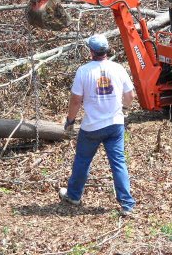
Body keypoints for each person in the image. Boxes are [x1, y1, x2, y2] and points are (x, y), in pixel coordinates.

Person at [59, 34, 136, 216]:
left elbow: (76, 100)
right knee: (118, 163)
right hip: (115, 125)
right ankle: (127, 204)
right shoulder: (118, 68)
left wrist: (70, 121)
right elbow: (130, 95)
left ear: (91, 51)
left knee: (82, 161)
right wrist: (123, 108)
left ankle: (74, 195)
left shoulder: (84, 71)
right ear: (106, 50)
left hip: (92, 127)